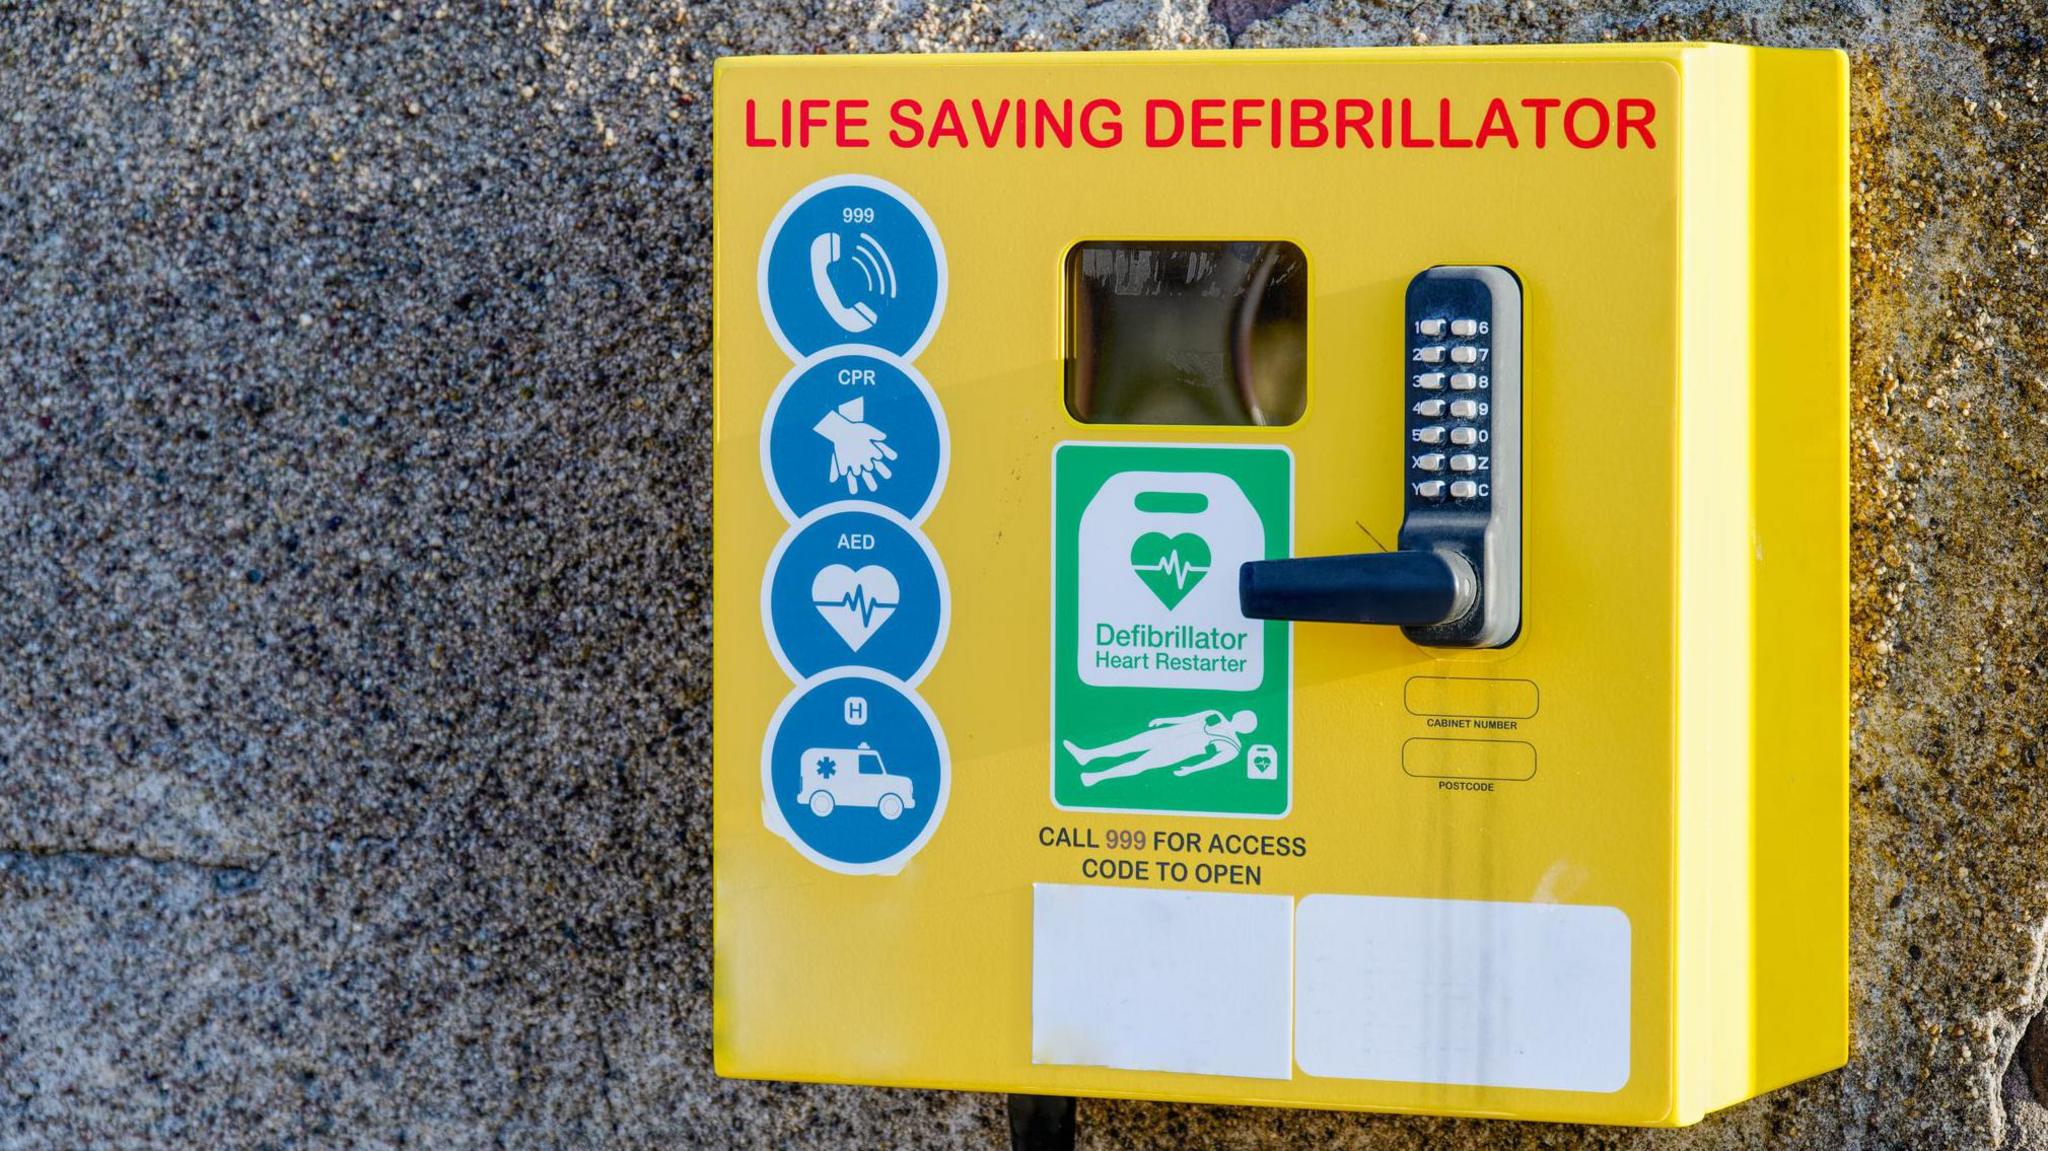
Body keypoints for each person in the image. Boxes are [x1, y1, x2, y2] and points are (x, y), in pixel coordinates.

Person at [1062, 709, 1257, 787]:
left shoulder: (1234, 747)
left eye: (1244, 719)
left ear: (1245, 726)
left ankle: (1095, 777)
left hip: (1180, 750)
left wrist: (1191, 769)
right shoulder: (1216, 715)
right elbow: (1187, 718)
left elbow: (1212, 762)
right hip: (1170, 733)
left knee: (1139, 764)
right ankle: (1086, 755)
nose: (1240, 717)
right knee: (1127, 745)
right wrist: (1165, 720)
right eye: (1242, 714)